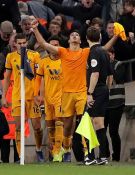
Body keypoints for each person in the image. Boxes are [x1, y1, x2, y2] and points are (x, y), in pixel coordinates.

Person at [32, 18, 90, 162]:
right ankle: (58, 150)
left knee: (75, 122)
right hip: (52, 98)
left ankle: (70, 151)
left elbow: (99, 49)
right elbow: (43, 44)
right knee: (56, 127)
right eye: (72, 35)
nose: (75, 36)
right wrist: (35, 30)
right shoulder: (56, 56)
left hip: (67, 95)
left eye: (77, 35)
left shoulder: (81, 53)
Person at [2, 33, 44, 162]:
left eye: (24, 43)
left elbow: (40, 76)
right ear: (15, 44)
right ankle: (20, 156)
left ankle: (38, 149)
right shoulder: (10, 57)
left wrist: (40, 94)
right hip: (17, 96)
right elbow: (7, 78)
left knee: (37, 127)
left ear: (27, 43)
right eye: (19, 43)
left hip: (32, 96)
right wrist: (3, 96)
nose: (22, 45)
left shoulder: (34, 55)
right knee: (18, 127)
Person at [84, 26, 113, 165]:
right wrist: (106, 89)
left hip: (95, 91)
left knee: (91, 123)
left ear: (86, 38)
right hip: (102, 90)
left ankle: (93, 157)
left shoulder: (94, 52)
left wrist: (90, 93)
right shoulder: (105, 52)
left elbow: (95, 73)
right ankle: (101, 156)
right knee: (96, 123)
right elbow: (110, 75)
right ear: (100, 37)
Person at [34, 35, 64, 162]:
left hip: (61, 97)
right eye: (51, 45)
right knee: (50, 126)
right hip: (48, 98)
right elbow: (39, 79)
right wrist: (38, 95)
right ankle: (54, 152)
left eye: (56, 45)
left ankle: (58, 150)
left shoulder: (64, 60)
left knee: (59, 122)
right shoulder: (44, 61)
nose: (53, 47)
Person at [104, 48, 126, 162]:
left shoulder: (119, 64)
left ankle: (116, 157)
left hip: (117, 103)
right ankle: (105, 153)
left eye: (109, 55)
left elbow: (119, 77)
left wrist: (108, 65)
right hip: (104, 104)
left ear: (113, 55)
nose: (107, 58)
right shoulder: (101, 66)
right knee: (101, 130)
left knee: (113, 131)